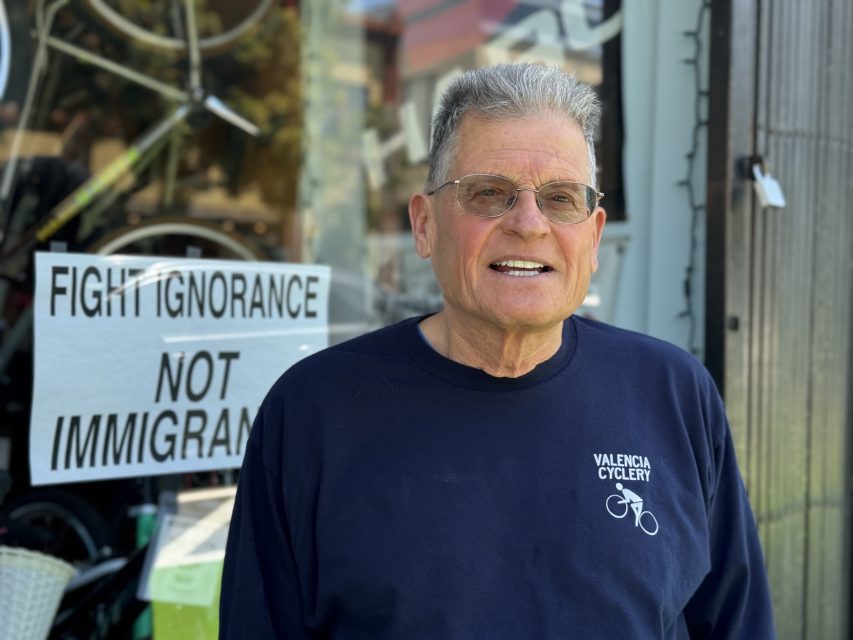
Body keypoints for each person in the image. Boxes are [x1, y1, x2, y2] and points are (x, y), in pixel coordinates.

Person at [220, 63, 775, 639]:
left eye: (561, 199)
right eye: (489, 193)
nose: (528, 224)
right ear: (425, 223)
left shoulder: (673, 393)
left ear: (594, 235)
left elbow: (738, 624)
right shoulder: (312, 411)